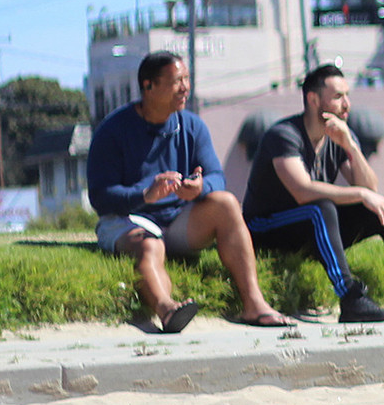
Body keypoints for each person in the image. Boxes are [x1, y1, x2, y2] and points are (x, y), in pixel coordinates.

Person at [241, 64, 384, 322]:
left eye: (347, 95)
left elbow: (370, 189)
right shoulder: (283, 135)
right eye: (338, 97)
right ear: (313, 99)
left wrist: (350, 145)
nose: (347, 104)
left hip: (311, 225)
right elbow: (302, 191)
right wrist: (362, 195)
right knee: (321, 207)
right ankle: (351, 298)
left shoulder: (339, 136)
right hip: (265, 229)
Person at [86, 51, 293, 330]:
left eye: (187, 79)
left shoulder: (192, 126)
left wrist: (199, 189)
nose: (185, 87)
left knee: (226, 203)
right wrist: (145, 195)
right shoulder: (112, 131)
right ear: (148, 86)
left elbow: (217, 177)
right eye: (176, 81)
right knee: (149, 244)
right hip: (127, 219)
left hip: (178, 219)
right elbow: (100, 197)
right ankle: (167, 309)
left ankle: (254, 304)